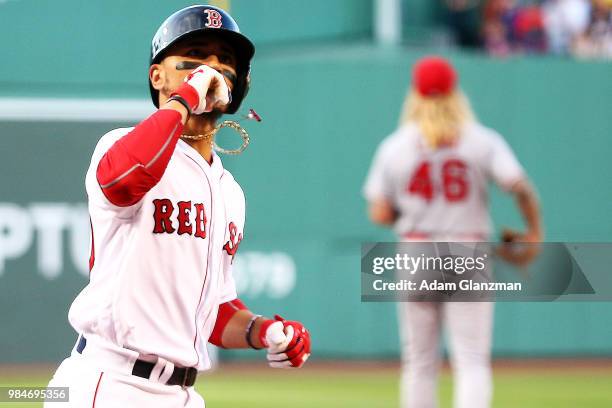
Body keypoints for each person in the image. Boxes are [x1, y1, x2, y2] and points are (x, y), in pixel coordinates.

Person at [45, 5, 310, 407]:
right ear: (158, 76)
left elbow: (214, 310)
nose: (213, 67)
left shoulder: (229, 191)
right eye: (197, 55)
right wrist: (186, 95)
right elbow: (122, 179)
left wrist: (262, 330)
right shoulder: (121, 144)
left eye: (225, 60)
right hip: (111, 382)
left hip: (182, 393)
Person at [363, 56, 542, 408]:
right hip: (468, 247)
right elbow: (520, 187)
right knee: (472, 360)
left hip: (416, 251)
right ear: (455, 93)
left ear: (415, 94)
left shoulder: (396, 145)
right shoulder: (480, 140)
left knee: (419, 362)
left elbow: (379, 211)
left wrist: (414, 210)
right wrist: (533, 231)